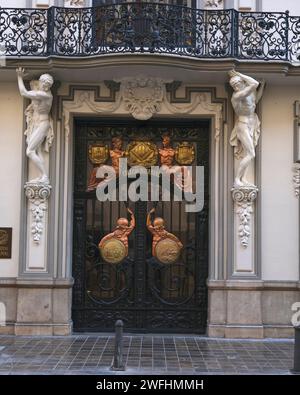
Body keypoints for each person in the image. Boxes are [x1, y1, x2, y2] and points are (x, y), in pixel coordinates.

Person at [16, 67, 54, 184]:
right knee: (37, 151)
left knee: (30, 151)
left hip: (43, 124)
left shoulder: (45, 95)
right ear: (41, 82)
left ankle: (45, 176)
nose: (45, 87)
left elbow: (24, 93)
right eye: (44, 84)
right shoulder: (42, 93)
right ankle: (42, 176)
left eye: (47, 85)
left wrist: (19, 77)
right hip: (37, 123)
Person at [229, 70, 265, 187]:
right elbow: (254, 83)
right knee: (251, 154)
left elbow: (255, 101)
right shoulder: (237, 96)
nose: (235, 87)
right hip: (243, 125)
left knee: (248, 153)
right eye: (233, 86)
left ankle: (243, 178)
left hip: (252, 123)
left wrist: (262, 86)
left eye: (237, 84)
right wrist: (238, 74)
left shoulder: (250, 93)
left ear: (242, 83)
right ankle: (237, 180)